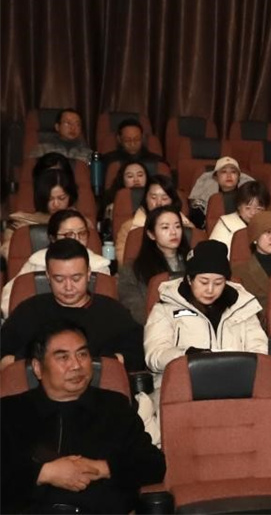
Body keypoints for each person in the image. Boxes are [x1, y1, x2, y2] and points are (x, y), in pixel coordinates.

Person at [0, 322, 165, 514]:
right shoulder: (9, 411)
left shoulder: (114, 406)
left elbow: (153, 464)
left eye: (82, 354)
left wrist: (102, 468)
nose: (76, 365)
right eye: (63, 357)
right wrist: (44, 473)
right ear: (37, 367)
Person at [144, 240, 269, 395]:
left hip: (235, 386)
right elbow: (154, 356)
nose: (210, 289)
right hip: (182, 388)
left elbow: (259, 353)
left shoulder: (242, 307)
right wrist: (186, 356)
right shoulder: (166, 307)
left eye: (218, 283)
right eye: (203, 282)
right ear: (189, 279)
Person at [1, 239, 144, 371]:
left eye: (76, 278)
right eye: (59, 279)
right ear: (48, 276)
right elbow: (3, 356)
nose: (68, 287)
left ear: (88, 274)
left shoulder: (113, 312)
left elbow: (136, 356)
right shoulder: (29, 311)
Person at [1, 210, 111, 318]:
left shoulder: (99, 265)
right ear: (53, 238)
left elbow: (105, 308)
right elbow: (9, 302)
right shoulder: (36, 261)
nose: (76, 239)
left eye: (82, 234)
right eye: (68, 234)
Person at [117, 206, 189, 325]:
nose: (173, 232)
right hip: (153, 328)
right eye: (165, 227)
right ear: (151, 234)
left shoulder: (193, 262)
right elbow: (137, 311)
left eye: (177, 226)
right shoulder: (132, 270)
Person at [2, 168, 81, 260]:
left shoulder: (80, 222)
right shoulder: (19, 222)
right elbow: (7, 252)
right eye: (50, 199)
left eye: (62, 198)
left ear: (70, 197)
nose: (56, 204)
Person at [115, 175, 193, 261]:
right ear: (146, 199)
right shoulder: (129, 228)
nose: (159, 203)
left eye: (164, 198)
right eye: (153, 198)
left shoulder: (188, 226)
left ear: (172, 201)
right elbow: (124, 262)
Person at [188, 156, 255, 228]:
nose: (229, 176)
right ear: (216, 177)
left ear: (238, 177)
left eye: (233, 172)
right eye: (224, 172)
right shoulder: (204, 196)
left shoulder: (248, 196)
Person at [209, 180, 270, 254]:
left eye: (259, 209)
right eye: (248, 208)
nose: (253, 213)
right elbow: (212, 254)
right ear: (239, 206)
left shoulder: (270, 225)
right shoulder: (225, 224)